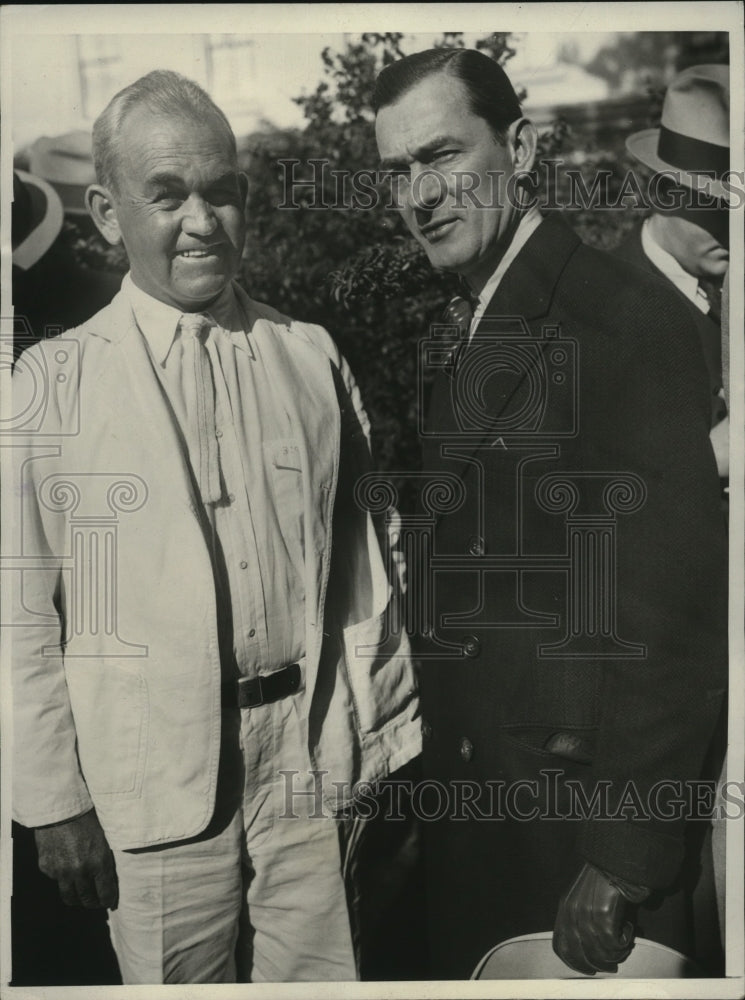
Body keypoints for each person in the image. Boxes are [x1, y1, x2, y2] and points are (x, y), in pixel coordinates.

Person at [11, 69, 420, 985]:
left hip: (310, 768)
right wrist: (50, 805)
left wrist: (380, 740)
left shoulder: (308, 356)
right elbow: (19, 614)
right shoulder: (47, 387)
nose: (202, 221)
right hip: (150, 791)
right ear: (106, 214)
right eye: (166, 196)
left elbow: (366, 560)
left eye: (221, 192)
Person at [373, 47, 727, 979]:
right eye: (398, 171)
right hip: (498, 824)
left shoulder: (617, 319)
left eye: (443, 156)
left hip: (577, 853)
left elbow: (676, 617)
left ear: (521, 148)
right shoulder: (487, 314)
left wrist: (622, 859)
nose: (420, 195)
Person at [615, 64, 730, 478]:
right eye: (717, 205)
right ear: (663, 192)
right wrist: (712, 456)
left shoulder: (726, 278)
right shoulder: (600, 308)